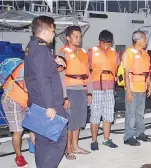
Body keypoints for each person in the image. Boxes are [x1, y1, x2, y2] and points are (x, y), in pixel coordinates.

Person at [24, 15, 66, 168]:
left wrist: (53, 60)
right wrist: (50, 105)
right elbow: (43, 79)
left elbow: (35, 72)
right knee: (59, 139)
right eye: (53, 31)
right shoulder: (41, 49)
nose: (54, 35)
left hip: (37, 101)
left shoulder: (31, 46)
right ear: (47, 30)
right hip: (49, 103)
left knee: (42, 141)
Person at [57, 26, 92, 160]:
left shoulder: (83, 53)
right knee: (70, 123)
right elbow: (60, 76)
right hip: (70, 90)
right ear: (68, 38)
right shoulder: (63, 52)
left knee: (78, 120)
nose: (78, 39)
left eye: (80, 36)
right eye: (76, 36)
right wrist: (65, 96)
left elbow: (88, 73)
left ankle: (76, 146)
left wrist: (89, 92)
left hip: (82, 90)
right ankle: (68, 149)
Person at [88, 30, 120, 150]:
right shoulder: (91, 52)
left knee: (108, 114)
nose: (106, 45)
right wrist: (89, 90)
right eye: (103, 43)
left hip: (110, 87)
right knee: (95, 115)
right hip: (96, 87)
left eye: (108, 43)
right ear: (99, 41)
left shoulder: (115, 53)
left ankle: (106, 139)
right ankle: (94, 140)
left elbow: (116, 69)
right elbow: (87, 70)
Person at [1, 60, 35, 167]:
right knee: (18, 130)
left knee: (32, 126)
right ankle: (19, 157)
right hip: (13, 98)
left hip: (23, 99)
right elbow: (27, 87)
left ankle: (33, 148)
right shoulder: (28, 65)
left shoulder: (30, 64)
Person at [122, 30, 151, 146]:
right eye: (144, 39)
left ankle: (140, 133)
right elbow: (126, 74)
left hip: (142, 88)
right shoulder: (128, 53)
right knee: (131, 114)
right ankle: (128, 136)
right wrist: (128, 92)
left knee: (140, 113)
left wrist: (149, 86)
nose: (146, 41)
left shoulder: (145, 54)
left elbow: (147, 73)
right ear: (138, 40)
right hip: (132, 88)